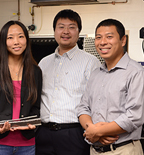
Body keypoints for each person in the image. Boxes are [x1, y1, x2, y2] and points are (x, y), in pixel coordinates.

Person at [35, 9, 101, 155]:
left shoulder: (90, 62)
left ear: (78, 32)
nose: (66, 31)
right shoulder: (44, 62)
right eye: (61, 27)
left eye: (71, 27)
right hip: (43, 134)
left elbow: (97, 100)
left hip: (74, 134)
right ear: (54, 31)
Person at [0, 20, 42, 155]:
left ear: (27, 40)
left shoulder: (35, 71)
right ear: (3, 42)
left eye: (21, 36)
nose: (16, 42)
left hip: (27, 145)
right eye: (10, 38)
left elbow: (36, 106)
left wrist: (32, 122)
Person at [77, 18, 144, 155]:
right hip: (95, 150)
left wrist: (99, 131)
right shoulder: (96, 74)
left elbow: (134, 116)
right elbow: (83, 107)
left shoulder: (136, 72)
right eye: (98, 37)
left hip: (123, 150)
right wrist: (92, 130)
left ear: (123, 40)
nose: (103, 42)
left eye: (109, 37)